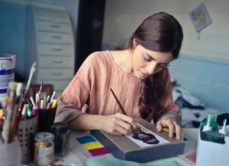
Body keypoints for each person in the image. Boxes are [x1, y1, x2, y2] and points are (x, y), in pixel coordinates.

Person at [54, 12, 184, 140]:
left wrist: (168, 118)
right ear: (135, 42)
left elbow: (168, 110)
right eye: (147, 58)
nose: (151, 70)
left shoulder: (161, 72)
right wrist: (101, 122)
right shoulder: (97, 63)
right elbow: (62, 112)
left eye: (162, 64)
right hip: (93, 145)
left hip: (136, 150)